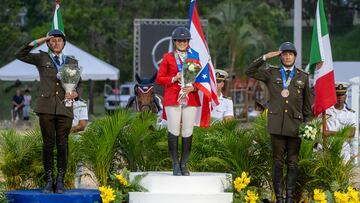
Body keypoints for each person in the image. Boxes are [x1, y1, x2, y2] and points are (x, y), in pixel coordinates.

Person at [246, 42, 313, 203]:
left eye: (291, 54)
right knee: (277, 163)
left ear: (295, 57)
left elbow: (307, 106)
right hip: (276, 125)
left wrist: (308, 124)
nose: (287, 56)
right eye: (284, 53)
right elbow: (250, 71)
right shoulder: (271, 72)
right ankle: (280, 198)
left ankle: (290, 198)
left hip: (295, 126)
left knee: (292, 162)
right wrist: (265, 57)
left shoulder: (303, 76)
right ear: (280, 56)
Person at [15, 29, 79, 193]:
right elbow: (20, 54)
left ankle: (60, 181)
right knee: (48, 145)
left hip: (65, 108)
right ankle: (49, 180)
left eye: (59, 40)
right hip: (46, 108)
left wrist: (77, 93)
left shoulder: (72, 61)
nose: (56, 43)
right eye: (53, 40)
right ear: (48, 43)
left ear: (64, 43)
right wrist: (42, 39)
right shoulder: (41, 57)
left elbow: (79, 83)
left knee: (63, 145)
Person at [156, 26, 200, 176]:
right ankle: (175, 164)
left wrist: (193, 88)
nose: (182, 42)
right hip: (173, 98)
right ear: (174, 42)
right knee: (173, 130)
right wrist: (173, 78)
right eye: (179, 40)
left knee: (188, 130)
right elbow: (159, 78)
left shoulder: (195, 57)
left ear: (188, 42)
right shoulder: (168, 57)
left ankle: (184, 164)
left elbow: (201, 80)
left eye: (184, 40)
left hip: (190, 97)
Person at [325, 83, 357, 164]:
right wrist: (342, 133)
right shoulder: (325, 111)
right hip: (326, 148)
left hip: (343, 150)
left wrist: (329, 133)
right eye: (337, 95)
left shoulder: (350, 114)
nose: (339, 97)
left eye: (342, 95)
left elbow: (352, 133)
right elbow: (320, 130)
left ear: (345, 97)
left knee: (341, 176)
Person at [71, 97, 88, 188]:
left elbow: (82, 126)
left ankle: (76, 187)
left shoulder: (82, 104)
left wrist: (66, 130)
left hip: (75, 136)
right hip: (61, 136)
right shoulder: (59, 102)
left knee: (78, 164)